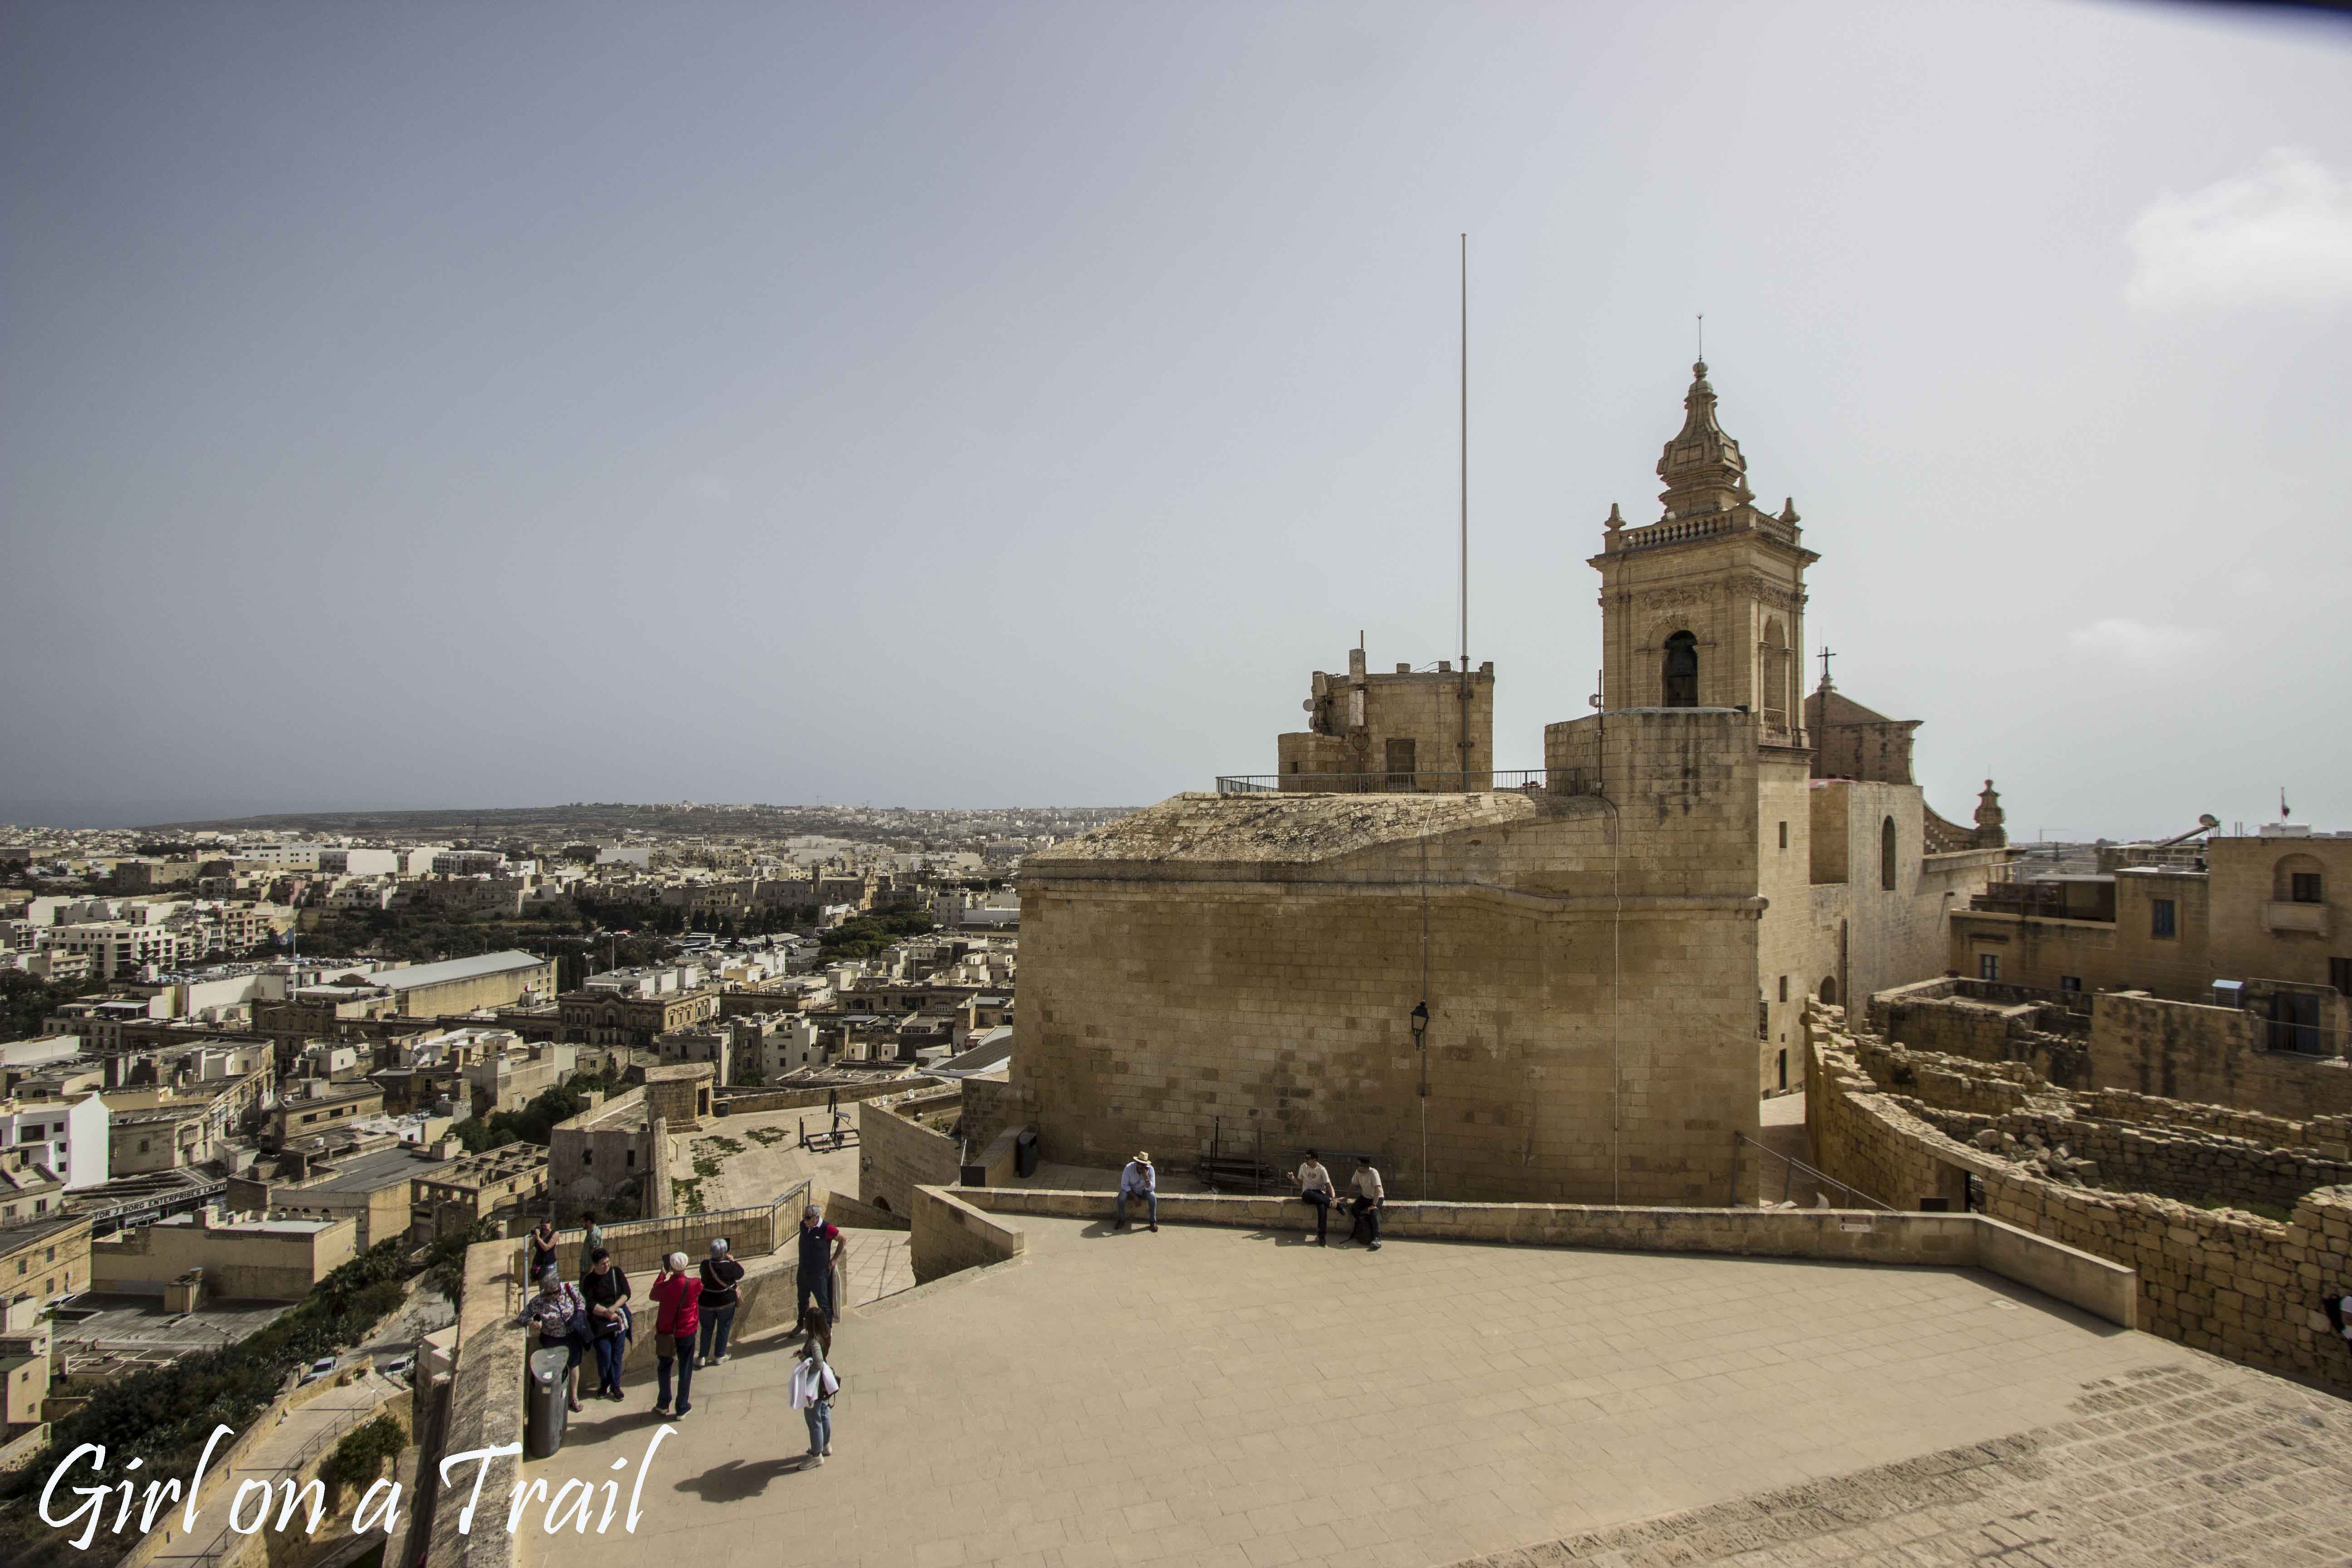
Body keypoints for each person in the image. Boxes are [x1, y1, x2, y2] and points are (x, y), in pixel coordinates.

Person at [514, 1267, 590, 1412]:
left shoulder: (568, 1289)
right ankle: (556, 1400)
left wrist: (578, 1316)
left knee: (574, 1364)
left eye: (557, 1292)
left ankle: (573, 1398)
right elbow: (523, 1316)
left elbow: (581, 1302)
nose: (555, 1295)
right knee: (555, 1370)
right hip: (552, 1339)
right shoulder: (539, 1301)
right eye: (551, 1293)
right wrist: (531, 1323)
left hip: (572, 1336)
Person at [648, 1251, 702, 1418]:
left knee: (664, 1367)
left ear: (671, 1267)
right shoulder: (695, 1284)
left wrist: (662, 1275)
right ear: (686, 1266)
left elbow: (653, 1294)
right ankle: (682, 1406)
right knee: (685, 1368)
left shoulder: (664, 1287)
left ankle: (664, 1404)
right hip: (686, 1332)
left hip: (667, 1333)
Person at [578, 1247, 632, 1399]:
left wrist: (613, 1309)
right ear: (595, 1265)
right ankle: (605, 1383)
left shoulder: (617, 1273)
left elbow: (627, 1293)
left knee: (617, 1354)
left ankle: (616, 1386)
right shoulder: (589, 1280)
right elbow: (589, 1302)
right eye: (603, 1264)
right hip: (600, 1322)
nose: (607, 1266)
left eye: (608, 1262)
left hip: (618, 1319)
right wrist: (606, 1313)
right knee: (604, 1354)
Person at [790, 1304, 838, 1465]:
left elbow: (817, 1362)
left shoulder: (814, 1342)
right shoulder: (825, 1335)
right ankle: (825, 1445)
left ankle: (816, 1455)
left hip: (815, 1385)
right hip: (824, 1382)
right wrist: (804, 1355)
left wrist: (805, 1361)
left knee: (813, 1418)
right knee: (824, 1413)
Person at [696, 1237, 745, 1367]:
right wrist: (733, 1261)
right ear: (724, 1253)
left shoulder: (705, 1265)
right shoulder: (729, 1266)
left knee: (706, 1330)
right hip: (726, 1303)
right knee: (724, 1328)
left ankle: (702, 1357)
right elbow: (740, 1273)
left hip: (706, 1303)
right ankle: (720, 1355)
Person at [796, 1203, 845, 1328]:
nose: (805, 1220)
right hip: (803, 1271)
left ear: (816, 1217)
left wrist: (834, 1259)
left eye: (808, 1218)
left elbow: (842, 1239)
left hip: (819, 1274)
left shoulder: (827, 1228)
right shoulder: (803, 1225)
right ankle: (801, 1325)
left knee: (823, 1303)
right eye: (804, 1217)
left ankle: (827, 1328)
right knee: (802, 1300)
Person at [1296, 1150, 1335, 1246]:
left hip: (1319, 1194)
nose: (1306, 1161)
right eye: (1306, 1158)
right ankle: (1332, 1204)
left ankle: (1322, 1236)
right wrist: (1293, 1178)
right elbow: (1299, 1183)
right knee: (1309, 1193)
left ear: (1315, 1160)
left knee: (1322, 1208)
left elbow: (1329, 1185)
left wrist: (1334, 1198)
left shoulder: (1321, 1169)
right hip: (1307, 1194)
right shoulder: (1303, 1167)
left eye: (1308, 1159)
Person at [1347, 1155, 1385, 1250]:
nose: (1356, 1167)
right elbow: (1353, 1185)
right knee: (1354, 1209)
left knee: (1373, 1212)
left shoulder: (1374, 1173)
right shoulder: (1358, 1173)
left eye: (1358, 1165)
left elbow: (1377, 1189)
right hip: (1365, 1196)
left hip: (1377, 1197)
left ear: (1364, 1167)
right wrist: (1346, 1197)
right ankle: (1364, 1228)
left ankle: (1377, 1238)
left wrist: (1374, 1205)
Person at [1116, 1151, 1157, 1232]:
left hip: (1143, 1191)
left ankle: (1153, 1221)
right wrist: (1134, 1197)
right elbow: (1124, 1185)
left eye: (1143, 1165)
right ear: (1136, 1162)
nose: (1140, 1166)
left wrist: (1146, 1178)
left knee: (1152, 1197)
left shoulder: (1151, 1170)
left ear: (1146, 1165)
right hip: (1131, 1191)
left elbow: (1152, 1188)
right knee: (1122, 1197)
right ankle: (1121, 1219)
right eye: (1139, 1163)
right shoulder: (1129, 1168)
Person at [527, 1219, 559, 1284]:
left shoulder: (555, 1234)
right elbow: (530, 1247)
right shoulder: (539, 1234)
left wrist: (538, 1238)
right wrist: (535, 1236)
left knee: (551, 1287)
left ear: (550, 1224)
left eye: (546, 1227)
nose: (544, 1229)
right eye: (543, 1227)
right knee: (542, 1288)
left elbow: (547, 1248)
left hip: (550, 1265)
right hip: (539, 1265)